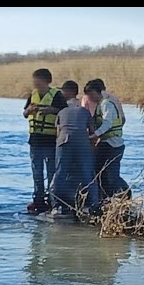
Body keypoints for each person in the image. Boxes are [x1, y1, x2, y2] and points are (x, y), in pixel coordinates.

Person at [50, 80, 98, 214]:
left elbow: (58, 133)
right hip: (82, 142)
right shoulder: (85, 111)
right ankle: (94, 204)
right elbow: (92, 131)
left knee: (60, 173)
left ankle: (56, 205)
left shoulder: (62, 111)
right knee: (87, 173)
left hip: (63, 142)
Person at [23, 68, 68, 213]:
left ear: (47, 82)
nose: (37, 86)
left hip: (50, 139)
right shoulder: (33, 95)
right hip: (35, 140)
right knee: (37, 172)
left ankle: (52, 199)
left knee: (51, 172)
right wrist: (29, 110)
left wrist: (52, 110)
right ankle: (38, 200)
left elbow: (65, 112)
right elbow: (24, 113)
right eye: (35, 83)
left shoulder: (57, 95)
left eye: (39, 83)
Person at [84, 80, 128, 199]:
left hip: (113, 144)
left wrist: (95, 135)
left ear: (98, 92)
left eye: (91, 94)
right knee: (100, 172)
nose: (90, 97)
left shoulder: (106, 104)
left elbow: (107, 123)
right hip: (105, 143)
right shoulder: (99, 105)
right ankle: (104, 198)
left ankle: (120, 196)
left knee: (111, 174)